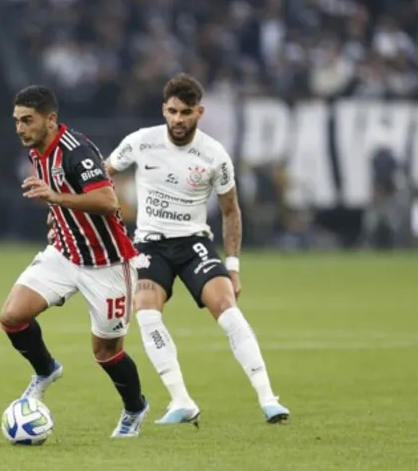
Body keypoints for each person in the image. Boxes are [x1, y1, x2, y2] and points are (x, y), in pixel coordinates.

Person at [104, 73, 290, 425]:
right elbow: (102, 174)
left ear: (199, 113)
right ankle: (181, 400)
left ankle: (269, 399)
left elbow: (231, 210)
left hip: (193, 244)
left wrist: (233, 265)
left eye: (185, 112)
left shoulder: (214, 155)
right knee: (145, 310)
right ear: (164, 109)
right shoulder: (141, 142)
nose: (177, 119)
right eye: (172, 111)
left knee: (227, 308)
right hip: (149, 244)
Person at [0, 85, 149, 438]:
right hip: (66, 253)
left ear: (50, 120)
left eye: (28, 120)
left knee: (106, 352)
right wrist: (58, 213)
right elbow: (67, 197)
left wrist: (55, 197)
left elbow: (108, 200)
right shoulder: (37, 149)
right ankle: (46, 369)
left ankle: (135, 408)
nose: (20, 128)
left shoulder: (75, 150)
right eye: (17, 121)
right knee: (12, 316)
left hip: (107, 263)